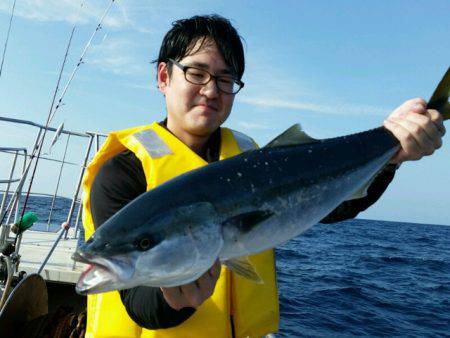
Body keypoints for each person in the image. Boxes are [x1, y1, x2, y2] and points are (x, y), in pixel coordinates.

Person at [80, 14, 445, 338]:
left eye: (225, 79)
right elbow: (137, 303)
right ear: (164, 76)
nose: (210, 89)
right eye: (196, 72)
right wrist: (174, 300)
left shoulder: (251, 157)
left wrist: (392, 153)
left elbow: (333, 208)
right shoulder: (122, 171)